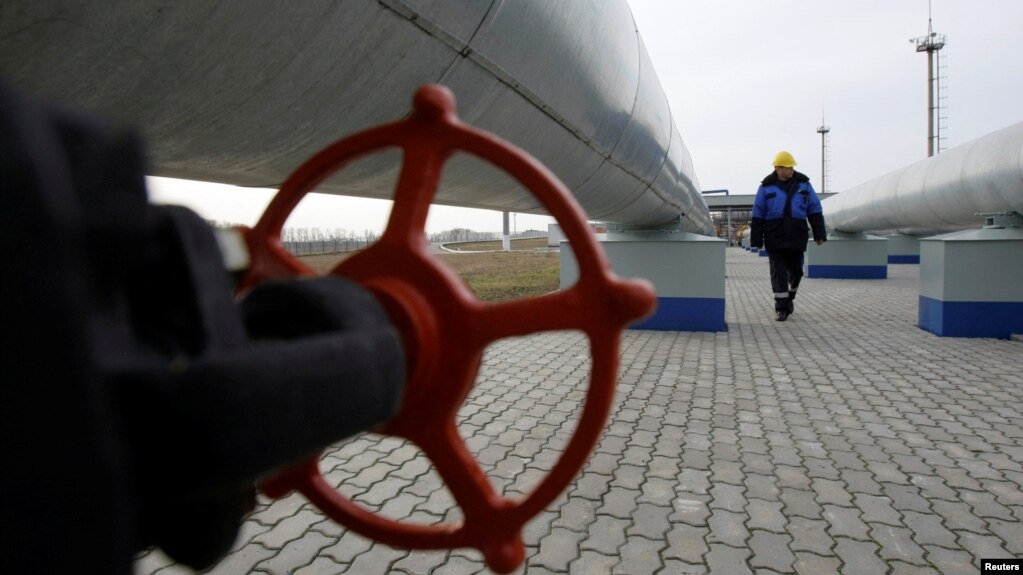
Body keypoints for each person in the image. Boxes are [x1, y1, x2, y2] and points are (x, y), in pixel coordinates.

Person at [750, 151, 826, 321]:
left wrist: (820, 233)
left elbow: (814, 209)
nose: (791, 170)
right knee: (778, 272)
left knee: (797, 271)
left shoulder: (804, 186)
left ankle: (790, 297)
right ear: (778, 168)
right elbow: (758, 214)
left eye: (792, 167)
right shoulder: (766, 187)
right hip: (774, 235)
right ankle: (781, 307)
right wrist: (756, 239)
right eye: (787, 167)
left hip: (796, 234)